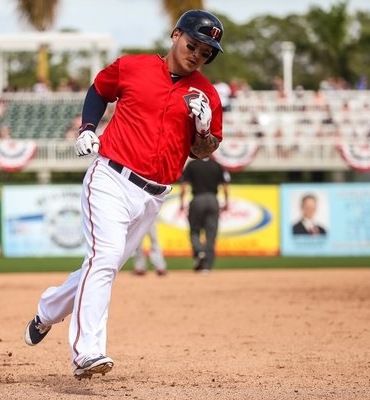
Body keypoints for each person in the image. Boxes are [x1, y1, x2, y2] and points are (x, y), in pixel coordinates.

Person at [24, 9, 225, 380]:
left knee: (104, 265)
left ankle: (47, 310)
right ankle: (86, 352)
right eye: (193, 44)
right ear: (175, 35)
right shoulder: (133, 66)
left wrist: (203, 127)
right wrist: (87, 127)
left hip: (153, 195)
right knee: (105, 259)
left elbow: (203, 151)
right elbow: (99, 90)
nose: (197, 54)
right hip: (111, 178)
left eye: (206, 51)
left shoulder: (207, 95)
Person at [179, 157, 230, 272]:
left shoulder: (192, 165)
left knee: (195, 230)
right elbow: (225, 186)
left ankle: (199, 251)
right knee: (211, 234)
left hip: (197, 199)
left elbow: (184, 186)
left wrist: (182, 202)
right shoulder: (217, 165)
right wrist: (227, 202)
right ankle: (206, 266)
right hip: (213, 199)